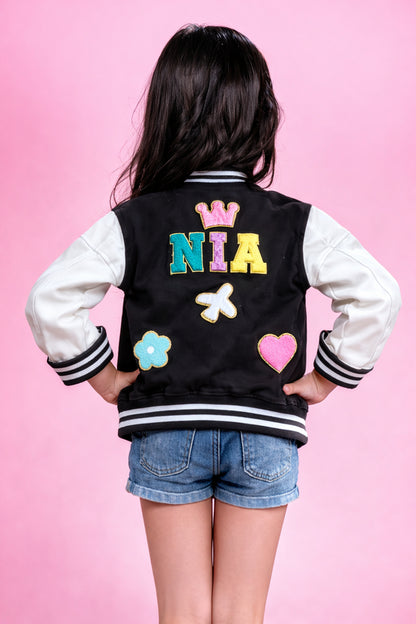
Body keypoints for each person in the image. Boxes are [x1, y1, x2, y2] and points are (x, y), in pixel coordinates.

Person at [25, 24, 401, 624]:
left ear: (166, 115)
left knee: (181, 614)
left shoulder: (137, 221)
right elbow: (378, 294)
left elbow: (50, 299)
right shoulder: (296, 223)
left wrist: (101, 375)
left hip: (167, 423)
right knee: (240, 614)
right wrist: (327, 377)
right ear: (261, 117)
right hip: (265, 426)